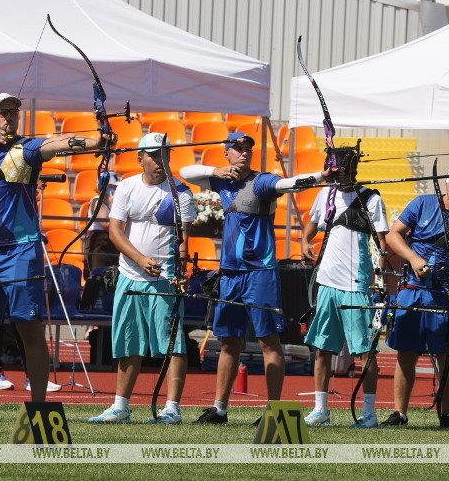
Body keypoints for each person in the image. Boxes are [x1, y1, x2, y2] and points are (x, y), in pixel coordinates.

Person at [0, 92, 115, 419]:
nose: (10, 116)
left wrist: (95, 140)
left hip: (21, 250)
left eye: (14, 111)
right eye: (3, 112)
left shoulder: (28, 148)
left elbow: (59, 143)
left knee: (28, 329)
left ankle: (39, 410)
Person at [180, 131, 335, 424]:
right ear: (226, 153)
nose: (243, 153)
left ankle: (273, 411)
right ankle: (220, 409)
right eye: (237, 149)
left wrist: (321, 175)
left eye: (247, 149)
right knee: (228, 342)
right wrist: (216, 171)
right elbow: (185, 172)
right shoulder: (221, 182)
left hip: (260, 274)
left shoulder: (262, 181)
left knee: (268, 341)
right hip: (230, 275)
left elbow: (288, 184)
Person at [88, 133, 196, 424]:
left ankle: (172, 409)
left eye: (164, 154)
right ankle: (120, 406)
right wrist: (140, 260)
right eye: (153, 155)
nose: (160, 160)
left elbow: (183, 240)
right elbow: (115, 232)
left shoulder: (181, 194)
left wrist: (181, 272)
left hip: (166, 281)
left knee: (172, 344)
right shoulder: (126, 186)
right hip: (129, 277)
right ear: (140, 158)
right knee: (128, 342)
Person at [382, 161, 449, 428]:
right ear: (446, 185)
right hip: (412, 291)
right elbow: (394, 236)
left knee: (447, 354)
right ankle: (399, 413)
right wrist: (414, 258)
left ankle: (447, 416)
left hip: (444, 294)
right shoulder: (422, 203)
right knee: (406, 351)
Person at [300, 151, 389, 428]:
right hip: (327, 282)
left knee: (366, 351)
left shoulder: (371, 199)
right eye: (333, 169)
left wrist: (379, 275)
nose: (337, 174)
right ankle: (321, 409)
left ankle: (369, 413)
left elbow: (382, 242)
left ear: (353, 168)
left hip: (356, 285)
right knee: (323, 349)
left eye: (342, 169)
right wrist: (304, 241)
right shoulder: (325, 195)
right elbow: (312, 224)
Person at [84, 174, 120, 278]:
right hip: (99, 244)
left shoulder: (108, 202)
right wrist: (115, 206)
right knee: (99, 277)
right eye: (112, 186)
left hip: (109, 245)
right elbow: (107, 224)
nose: (115, 189)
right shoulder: (97, 200)